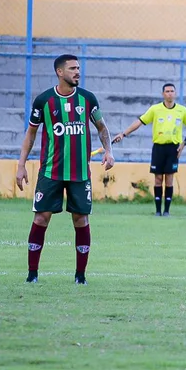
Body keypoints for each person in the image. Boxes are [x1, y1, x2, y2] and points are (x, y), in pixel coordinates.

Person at [16, 54, 115, 285]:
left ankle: (80, 277)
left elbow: (102, 127)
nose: (77, 72)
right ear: (60, 72)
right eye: (72, 68)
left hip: (80, 174)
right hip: (50, 172)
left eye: (78, 68)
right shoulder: (44, 100)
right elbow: (30, 133)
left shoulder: (88, 99)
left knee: (81, 220)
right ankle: (32, 275)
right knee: (41, 218)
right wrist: (21, 165)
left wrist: (108, 151)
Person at [112, 83, 186, 217]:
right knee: (158, 178)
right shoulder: (155, 109)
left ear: (175, 93)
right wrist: (123, 134)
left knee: (169, 178)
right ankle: (157, 210)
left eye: (172, 91)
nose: (169, 93)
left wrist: (183, 144)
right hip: (158, 147)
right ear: (163, 94)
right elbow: (139, 122)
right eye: (167, 91)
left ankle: (167, 211)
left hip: (173, 148)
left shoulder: (182, 111)